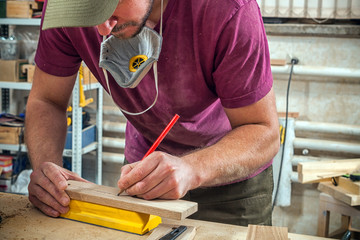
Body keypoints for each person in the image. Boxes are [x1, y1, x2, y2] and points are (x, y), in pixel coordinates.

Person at [26, 0, 280, 226]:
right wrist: (48, 173)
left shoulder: (228, 10)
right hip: (144, 174)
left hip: (231, 183)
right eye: (89, 9)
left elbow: (263, 132)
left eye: (110, 4)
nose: (103, 27)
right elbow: (47, 100)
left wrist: (191, 169)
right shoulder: (66, 7)